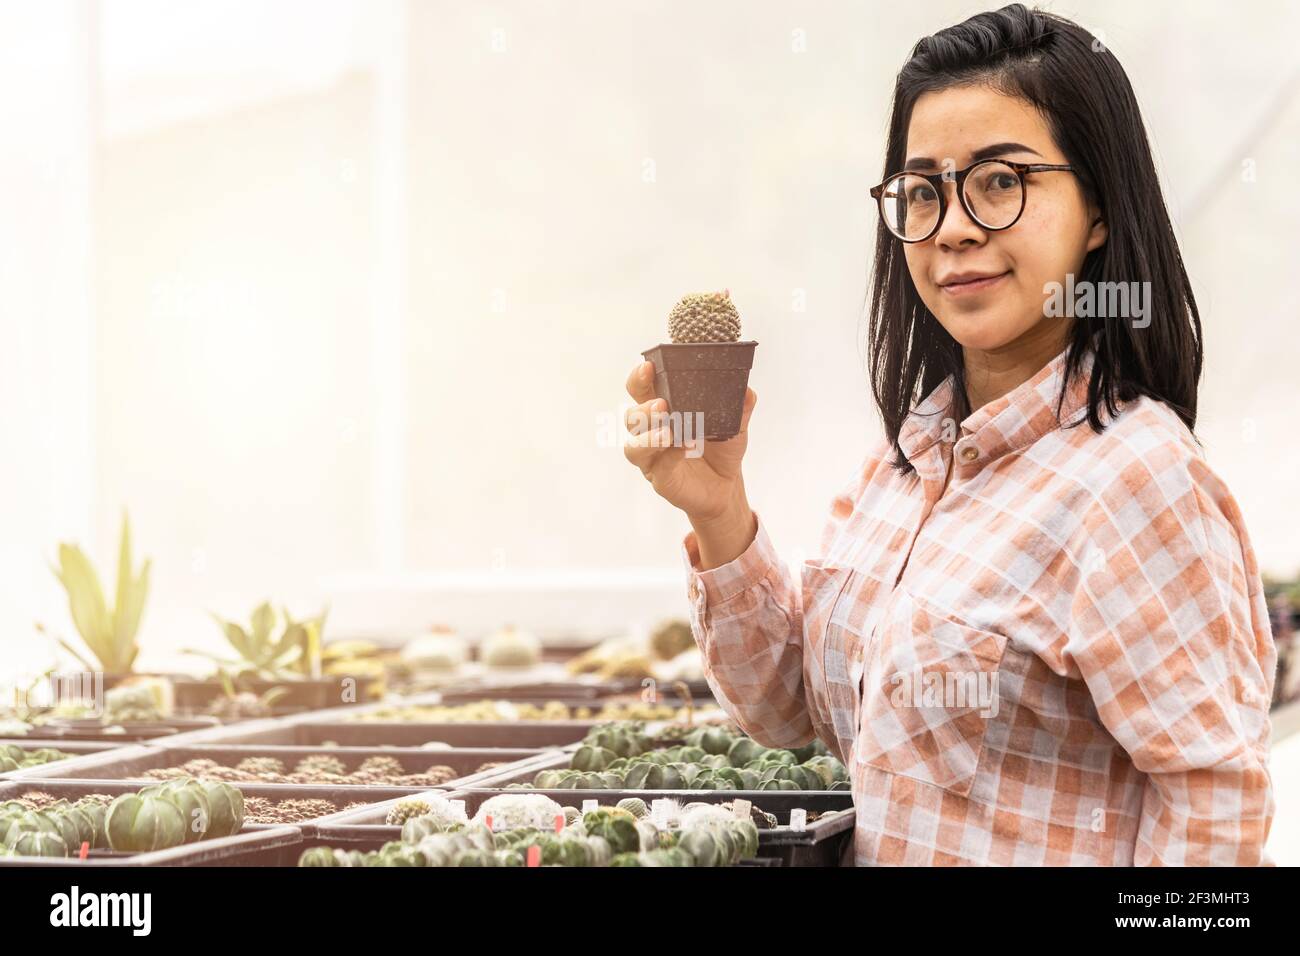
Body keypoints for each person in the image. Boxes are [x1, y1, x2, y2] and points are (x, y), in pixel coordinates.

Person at [622, 3, 1275, 866]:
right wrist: (720, 513)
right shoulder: (904, 466)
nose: (955, 227)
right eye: (923, 190)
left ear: (1100, 210)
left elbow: (1216, 815)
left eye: (1001, 181)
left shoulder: (1136, 480)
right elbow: (790, 715)